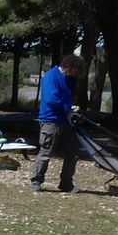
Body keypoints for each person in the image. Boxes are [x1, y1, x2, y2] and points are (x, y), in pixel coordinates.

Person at [30, 54, 86, 193]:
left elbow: (65, 98)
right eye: (75, 71)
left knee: (73, 151)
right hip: (50, 120)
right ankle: (36, 181)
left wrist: (71, 112)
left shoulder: (69, 79)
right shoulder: (51, 76)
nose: (75, 75)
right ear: (69, 67)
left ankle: (66, 183)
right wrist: (67, 112)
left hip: (66, 121)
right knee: (46, 151)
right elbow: (52, 100)